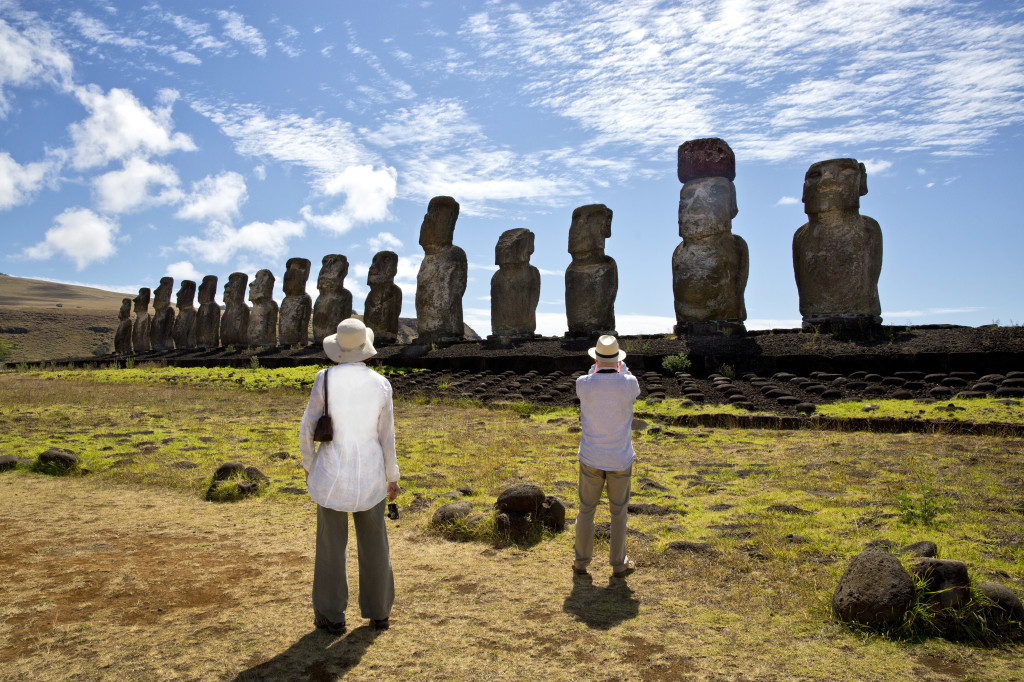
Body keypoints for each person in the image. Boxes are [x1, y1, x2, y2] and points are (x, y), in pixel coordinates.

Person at [299, 318, 401, 634]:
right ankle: (379, 611)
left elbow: (307, 428)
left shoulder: (324, 380)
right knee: (375, 545)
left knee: (330, 547)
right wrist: (392, 476)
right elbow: (387, 436)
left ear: (338, 350)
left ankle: (330, 615)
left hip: (331, 473)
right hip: (371, 474)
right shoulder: (381, 384)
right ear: (365, 349)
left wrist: (309, 465)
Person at [573, 334, 640, 578]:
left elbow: (591, 375)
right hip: (620, 458)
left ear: (596, 359)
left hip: (591, 456)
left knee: (586, 510)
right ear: (618, 361)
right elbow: (629, 381)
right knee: (618, 512)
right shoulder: (629, 383)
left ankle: (581, 562)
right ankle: (618, 564)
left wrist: (598, 367)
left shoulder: (584, 383)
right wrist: (618, 368)